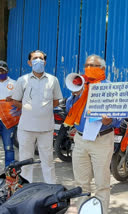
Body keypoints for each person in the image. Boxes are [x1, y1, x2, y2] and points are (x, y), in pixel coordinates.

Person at [65, 54, 121, 214]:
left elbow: (119, 115)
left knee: (102, 184)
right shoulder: (82, 85)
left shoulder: (110, 88)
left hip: (102, 140)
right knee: (81, 183)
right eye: (87, 65)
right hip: (81, 139)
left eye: (93, 66)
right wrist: (75, 96)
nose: (89, 69)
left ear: (102, 69)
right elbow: (69, 111)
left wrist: (110, 121)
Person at [12, 50, 62, 184]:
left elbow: (56, 100)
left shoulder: (53, 80)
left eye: (41, 58)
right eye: (35, 58)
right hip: (26, 128)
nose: (38, 60)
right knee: (25, 161)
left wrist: (42, 109)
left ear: (45, 62)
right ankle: (26, 190)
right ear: (29, 62)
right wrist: (28, 108)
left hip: (46, 128)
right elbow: (15, 100)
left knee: (48, 161)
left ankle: (50, 189)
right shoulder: (22, 80)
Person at [0, 60, 15, 167]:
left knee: (8, 146)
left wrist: (13, 99)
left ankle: (9, 171)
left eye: (2, 71)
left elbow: (20, 99)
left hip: (8, 121)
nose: (0, 73)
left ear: (7, 71)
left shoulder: (14, 84)